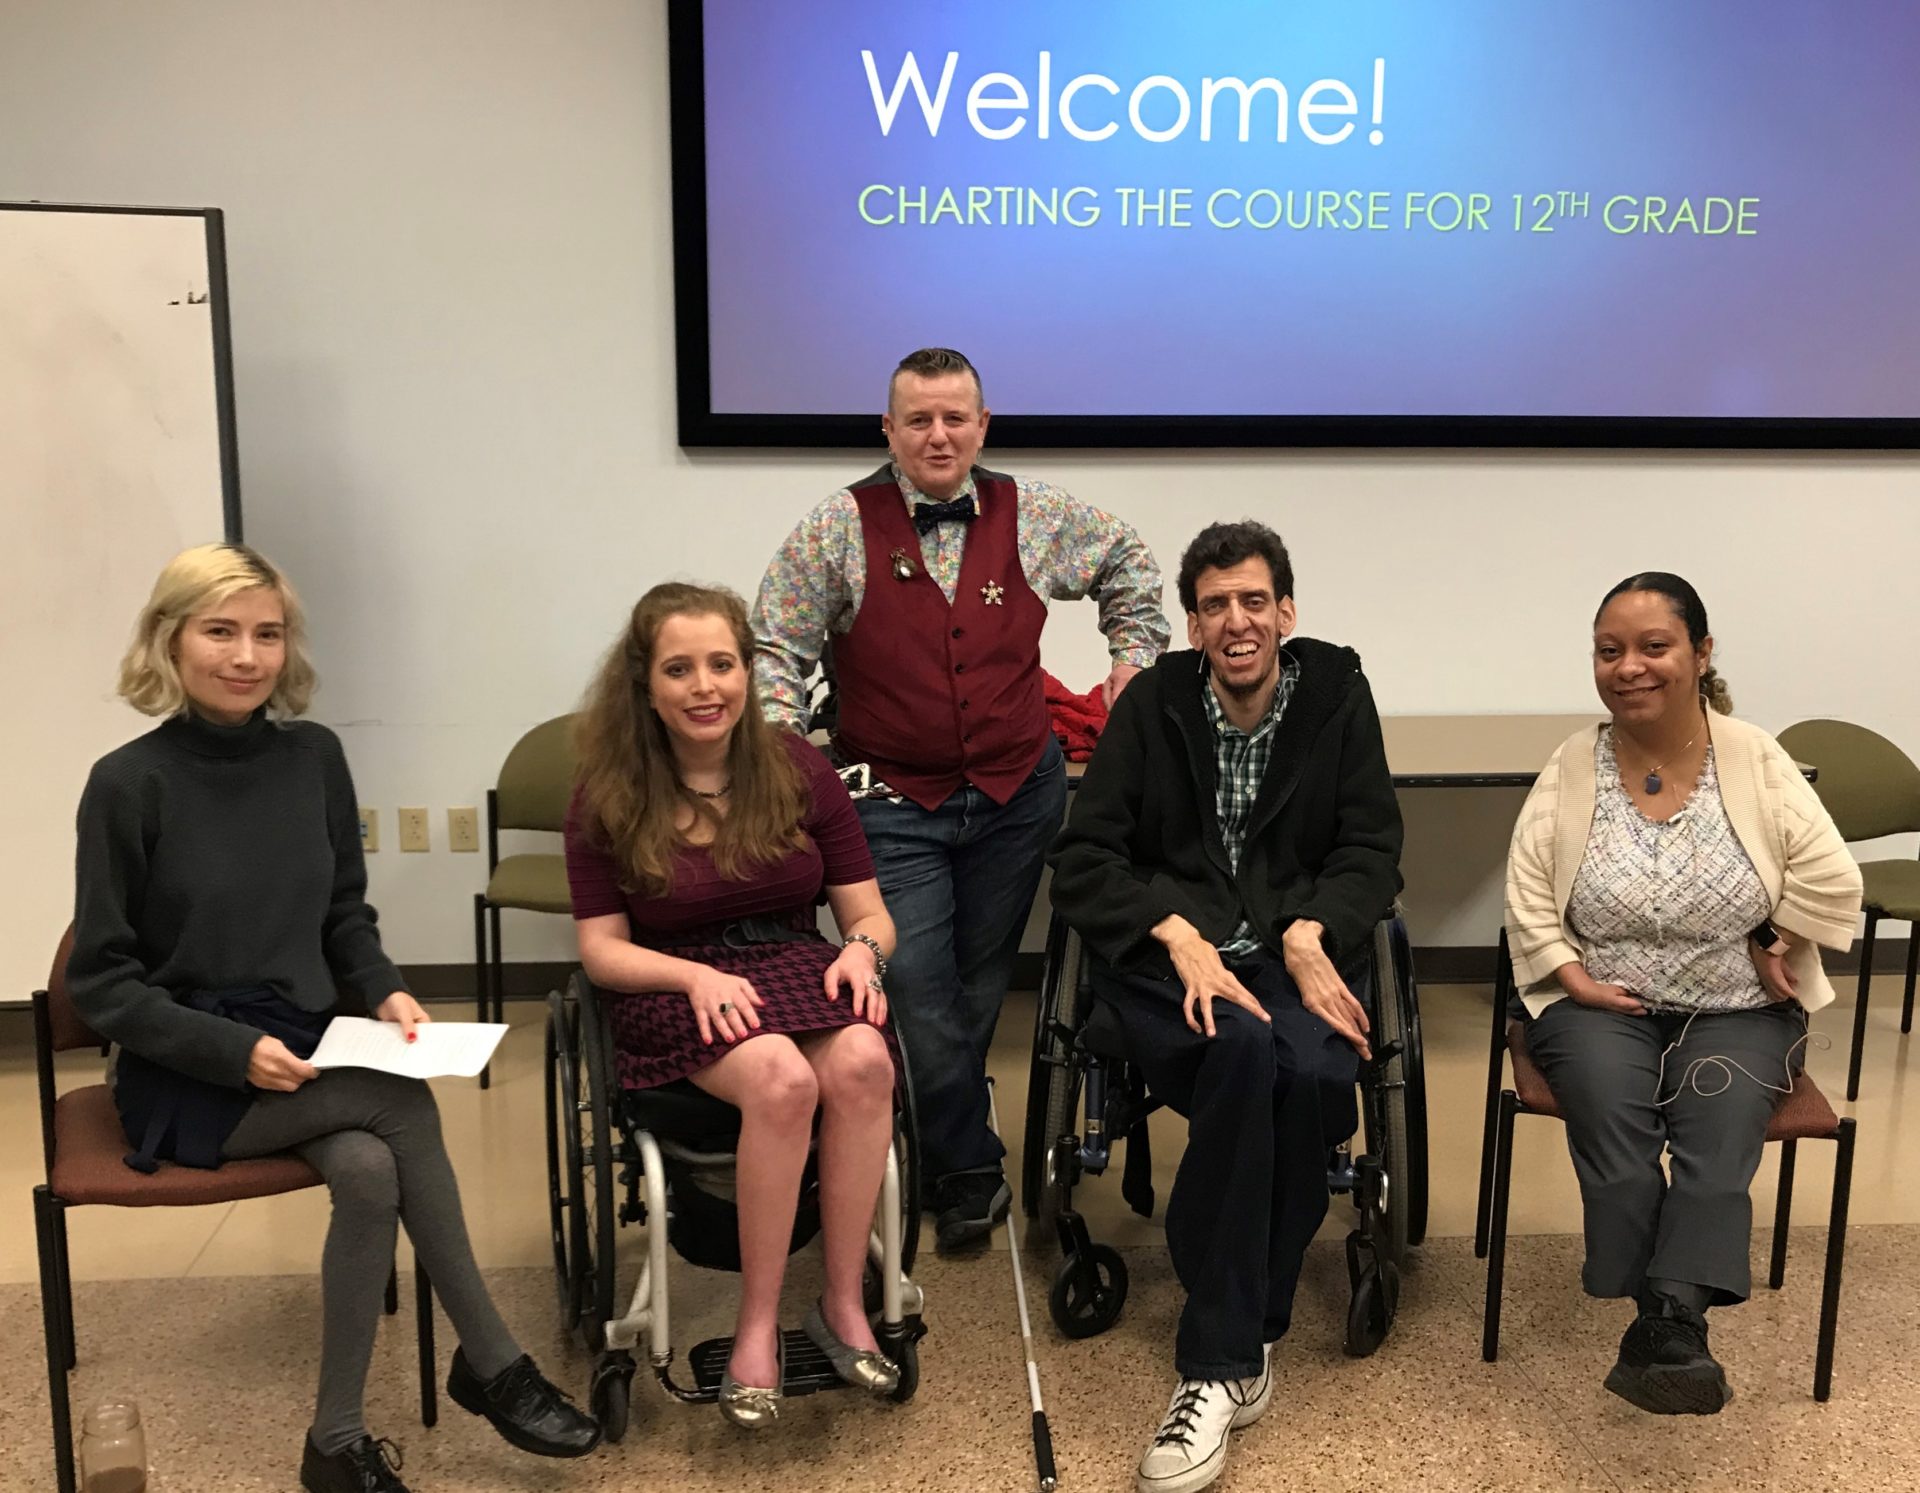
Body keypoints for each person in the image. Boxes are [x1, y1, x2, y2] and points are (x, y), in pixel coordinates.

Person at [67, 544, 598, 1493]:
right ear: (169, 640)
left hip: (305, 1042)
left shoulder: (314, 756)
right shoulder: (126, 782)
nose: (247, 655)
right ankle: (493, 1361)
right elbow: (104, 986)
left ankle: (336, 1442)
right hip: (185, 1066)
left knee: (364, 1168)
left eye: (267, 633)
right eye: (220, 631)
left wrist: (385, 986)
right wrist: (232, 1050)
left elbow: (343, 914)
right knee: (401, 1109)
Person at [751, 346, 1170, 1250]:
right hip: (888, 801)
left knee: (976, 985)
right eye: (919, 419)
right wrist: (794, 759)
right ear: (888, 430)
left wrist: (1131, 667)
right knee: (912, 982)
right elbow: (773, 646)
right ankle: (968, 1166)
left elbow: (1131, 562)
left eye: (955, 418)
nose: (938, 435)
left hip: (1020, 796)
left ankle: (928, 1135)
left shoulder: (1032, 514)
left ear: (983, 426)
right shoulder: (836, 528)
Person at [1049, 521, 1402, 1493]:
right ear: (1193, 622)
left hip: (1296, 955)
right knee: (1249, 1050)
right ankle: (1217, 1359)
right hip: (1174, 964)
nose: (1235, 620)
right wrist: (1172, 928)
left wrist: (1309, 930)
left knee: (1323, 1072)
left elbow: (1371, 848)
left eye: (1253, 600)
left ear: (1285, 611)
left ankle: (1235, 1320)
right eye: (1213, 604)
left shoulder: (1335, 698)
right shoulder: (1155, 703)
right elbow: (1084, 860)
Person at [1505, 572, 1863, 1414]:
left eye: (1653, 646)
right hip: (1602, 1006)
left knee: (1718, 1122)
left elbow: (1831, 871)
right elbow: (1524, 888)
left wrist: (1786, 935)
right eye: (1610, 650)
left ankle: (1669, 1320)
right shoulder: (1573, 763)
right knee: (1614, 1122)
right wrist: (1569, 973)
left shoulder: (1753, 755)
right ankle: (1669, 1313)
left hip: (1737, 1005)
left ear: (1700, 654)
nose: (1629, 666)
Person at [565, 582, 902, 1429]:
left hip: (790, 961)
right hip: (671, 980)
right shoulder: (608, 793)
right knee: (783, 1080)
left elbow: (868, 915)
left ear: (749, 671)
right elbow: (601, 950)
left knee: (865, 1058)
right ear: (644, 683)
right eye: (679, 668)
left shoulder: (799, 769)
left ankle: (837, 1303)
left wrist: (862, 952)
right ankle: (757, 1326)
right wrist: (690, 979)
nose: (705, 686)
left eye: (722, 663)